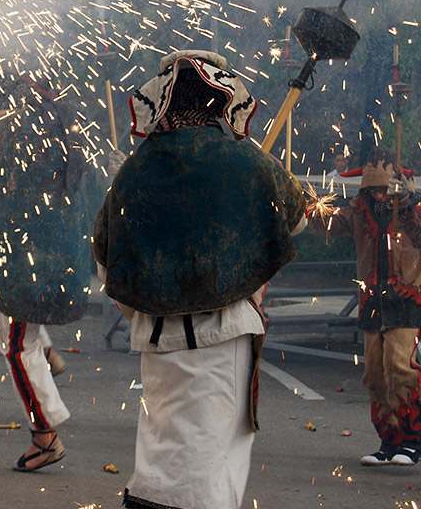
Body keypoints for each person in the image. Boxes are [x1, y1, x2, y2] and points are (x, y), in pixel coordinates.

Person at [93, 50, 307, 509]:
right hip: (221, 334)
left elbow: (107, 261)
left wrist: (148, 307)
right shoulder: (246, 159)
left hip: (154, 337)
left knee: (162, 451)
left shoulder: (134, 168)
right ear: (220, 98)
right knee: (210, 466)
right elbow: (297, 216)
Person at [0, 70, 89, 471]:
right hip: (27, 260)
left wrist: (1, 243)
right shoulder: (48, 140)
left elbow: (22, 209)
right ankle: (47, 348)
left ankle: (45, 435)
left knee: (15, 348)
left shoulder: (30, 149)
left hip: (30, 266)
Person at [319, 146, 421, 466]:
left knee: (400, 368)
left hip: (408, 298)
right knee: (374, 374)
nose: (378, 195)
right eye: (372, 189)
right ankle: (389, 441)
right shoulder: (359, 209)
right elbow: (327, 222)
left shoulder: (419, 208)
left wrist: (410, 202)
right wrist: (302, 208)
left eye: (383, 189)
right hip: (373, 300)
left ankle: (414, 441)